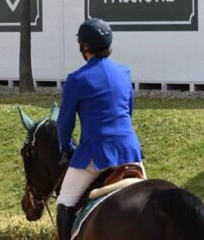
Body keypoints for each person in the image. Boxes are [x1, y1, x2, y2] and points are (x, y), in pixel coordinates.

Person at [56, 17, 144, 240]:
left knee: (64, 201)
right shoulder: (124, 73)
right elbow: (128, 112)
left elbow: (64, 124)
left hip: (96, 155)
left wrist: (66, 148)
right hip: (130, 152)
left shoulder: (76, 79)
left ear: (84, 46)